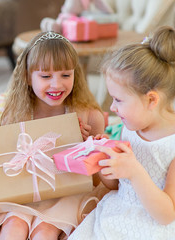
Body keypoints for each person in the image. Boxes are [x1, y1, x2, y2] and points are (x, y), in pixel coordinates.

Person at [0, 31, 105, 240]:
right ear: (27, 76)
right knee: (14, 227)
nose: (56, 84)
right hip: (25, 194)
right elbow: (6, 167)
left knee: (45, 231)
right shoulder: (17, 115)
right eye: (45, 76)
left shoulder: (89, 116)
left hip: (66, 194)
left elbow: (99, 179)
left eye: (65, 75)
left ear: (75, 75)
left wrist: (85, 147)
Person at [69, 26, 175, 239]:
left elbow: (166, 215)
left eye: (118, 100)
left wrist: (134, 171)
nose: (113, 108)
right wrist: (105, 162)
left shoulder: (171, 144)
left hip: (152, 227)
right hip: (117, 213)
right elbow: (117, 186)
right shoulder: (131, 127)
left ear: (151, 100)